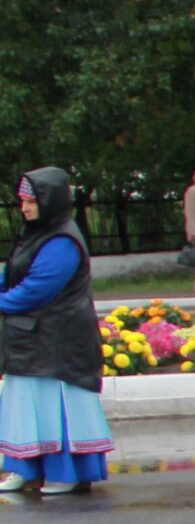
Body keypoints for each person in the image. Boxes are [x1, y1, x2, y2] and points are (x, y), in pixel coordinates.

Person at [0, 168, 112, 495]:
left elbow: (36, 289)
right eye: (22, 201)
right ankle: (25, 470)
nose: (25, 207)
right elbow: (13, 276)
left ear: (50, 201)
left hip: (61, 342)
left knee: (59, 407)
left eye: (32, 201)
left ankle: (70, 473)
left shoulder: (62, 239)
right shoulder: (34, 233)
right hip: (32, 339)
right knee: (25, 404)